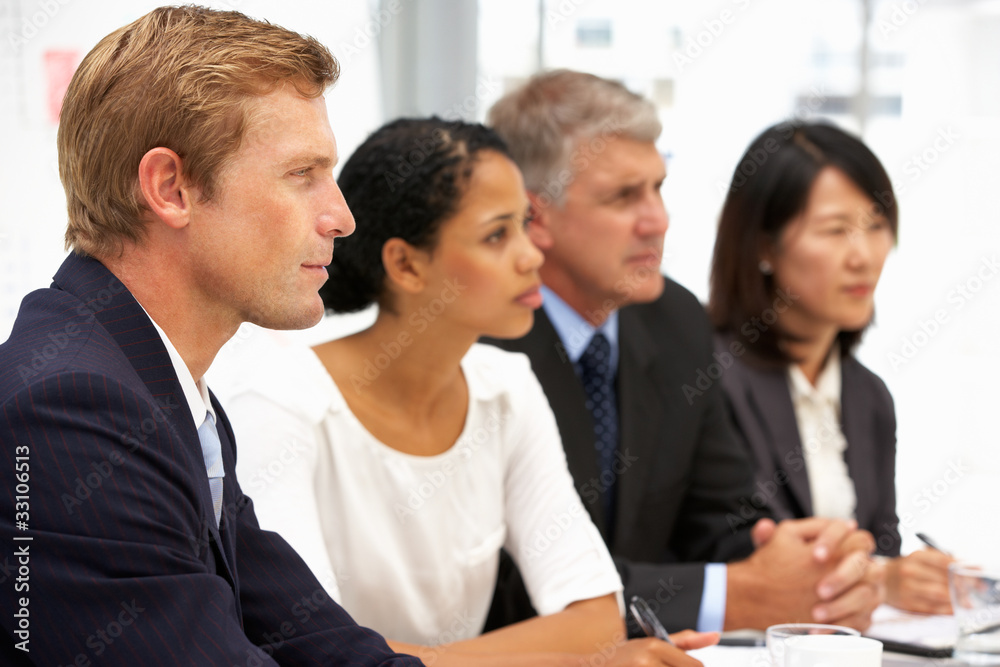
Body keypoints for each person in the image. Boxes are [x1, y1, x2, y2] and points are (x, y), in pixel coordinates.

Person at [0, 7, 423, 665]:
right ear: (171, 187)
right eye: (302, 174)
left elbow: (319, 642)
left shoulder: (160, 388)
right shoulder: (71, 410)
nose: (341, 217)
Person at [216, 117, 715, 667]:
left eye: (525, 225)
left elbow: (596, 616)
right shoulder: (278, 400)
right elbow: (310, 653)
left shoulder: (506, 389)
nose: (531, 257)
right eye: (497, 235)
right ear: (405, 264)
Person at [482, 69, 884, 634]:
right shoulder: (478, 343)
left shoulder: (673, 319)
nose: (658, 221)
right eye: (624, 197)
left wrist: (808, 564)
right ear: (535, 216)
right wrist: (733, 595)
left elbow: (723, 519)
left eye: (659, 188)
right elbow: (508, 589)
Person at [708, 120, 953, 615]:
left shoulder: (870, 397)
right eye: (836, 230)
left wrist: (914, 577)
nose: (863, 256)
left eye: (877, 226)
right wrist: (886, 579)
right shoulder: (710, 376)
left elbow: (880, 543)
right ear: (763, 246)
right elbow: (746, 550)